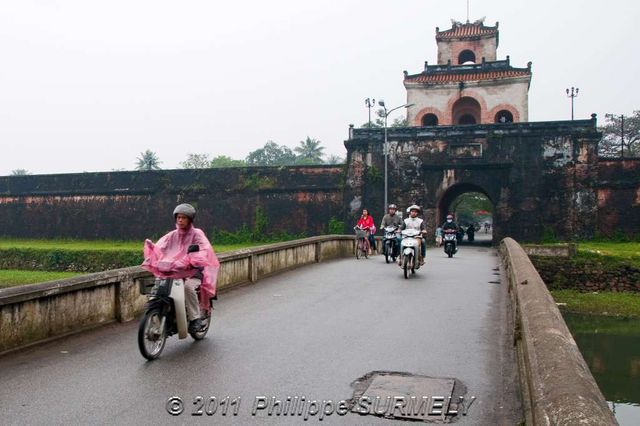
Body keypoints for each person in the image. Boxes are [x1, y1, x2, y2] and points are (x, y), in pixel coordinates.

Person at [142, 203, 220, 333]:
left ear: (190, 219)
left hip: (194, 271)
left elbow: (204, 249)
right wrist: (152, 249)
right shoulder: (172, 235)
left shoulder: (197, 234)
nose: (180, 220)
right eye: (178, 217)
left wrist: (192, 260)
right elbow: (161, 247)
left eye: (184, 217)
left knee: (188, 287)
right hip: (175, 271)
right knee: (159, 287)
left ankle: (195, 319)